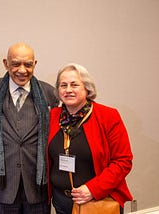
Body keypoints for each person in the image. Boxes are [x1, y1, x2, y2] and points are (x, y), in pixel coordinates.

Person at [47, 63, 133, 214]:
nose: (68, 90)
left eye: (74, 85)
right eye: (63, 85)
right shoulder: (53, 116)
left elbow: (123, 161)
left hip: (98, 200)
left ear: (87, 88)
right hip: (61, 201)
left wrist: (93, 189)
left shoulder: (108, 116)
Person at [0, 43, 59, 214]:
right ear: (6, 63)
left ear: (35, 64)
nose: (22, 70)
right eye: (16, 64)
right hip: (2, 188)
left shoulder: (49, 93)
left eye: (28, 64)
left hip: (38, 187)